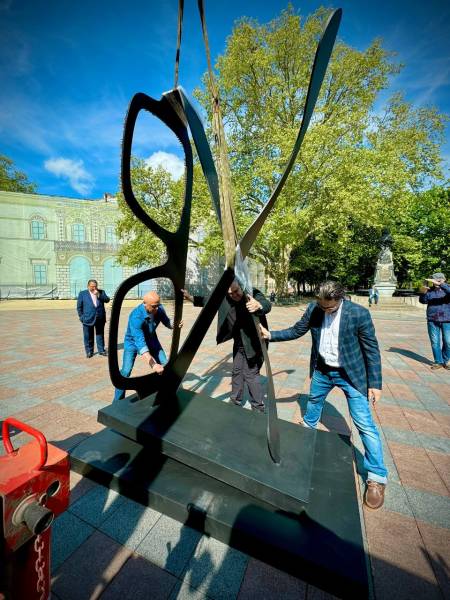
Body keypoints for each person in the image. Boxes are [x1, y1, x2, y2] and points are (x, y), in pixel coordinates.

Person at [260, 280, 388, 510]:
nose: (324, 310)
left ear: (340, 299)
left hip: (351, 375)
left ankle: (377, 478)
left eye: (329, 307)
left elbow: (371, 349)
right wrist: (271, 335)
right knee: (312, 407)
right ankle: (306, 440)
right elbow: (297, 330)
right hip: (322, 370)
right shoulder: (314, 308)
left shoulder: (358, 314)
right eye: (321, 306)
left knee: (364, 425)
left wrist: (375, 384)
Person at [182, 280, 271, 412]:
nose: (234, 295)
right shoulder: (224, 298)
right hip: (240, 341)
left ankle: (258, 408)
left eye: (236, 291)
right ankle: (235, 401)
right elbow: (208, 301)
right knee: (236, 371)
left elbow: (266, 304)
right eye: (231, 293)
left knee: (250, 374)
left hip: (255, 342)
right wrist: (190, 297)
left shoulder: (251, 293)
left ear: (241, 287)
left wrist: (258, 305)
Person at [113, 291, 179, 402]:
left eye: (158, 305)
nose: (157, 309)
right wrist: (153, 365)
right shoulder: (136, 316)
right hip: (132, 342)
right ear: (145, 304)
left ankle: (163, 392)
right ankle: (117, 401)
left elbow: (167, 322)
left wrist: (174, 324)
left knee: (165, 364)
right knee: (126, 371)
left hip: (152, 339)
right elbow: (141, 344)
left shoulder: (158, 308)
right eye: (154, 306)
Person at [419, 272, 450, 370]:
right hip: (432, 319)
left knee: (448, 341)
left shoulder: (447, 288)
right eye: (435, 280)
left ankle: (446, 360)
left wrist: (442, 284)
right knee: (435, 342)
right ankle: (438, 361)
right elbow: (423, 301)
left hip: (447, 319)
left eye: (438, 280)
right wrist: (423, 293)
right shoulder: (430, 291)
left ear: (443, 280)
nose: (436, 282)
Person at [77, 279, 110, 358]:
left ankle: (101, 350)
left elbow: (107, 300)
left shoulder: (101, 292)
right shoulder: (82, 294)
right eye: (92, 286)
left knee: (100, 335)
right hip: (87, 318)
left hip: (100, 318)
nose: (94, 288)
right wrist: (82, 317)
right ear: (88, 286)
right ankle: (89, 351)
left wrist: (98, 295)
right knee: (88, 336)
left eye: (95, 286)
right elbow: (79, 307)